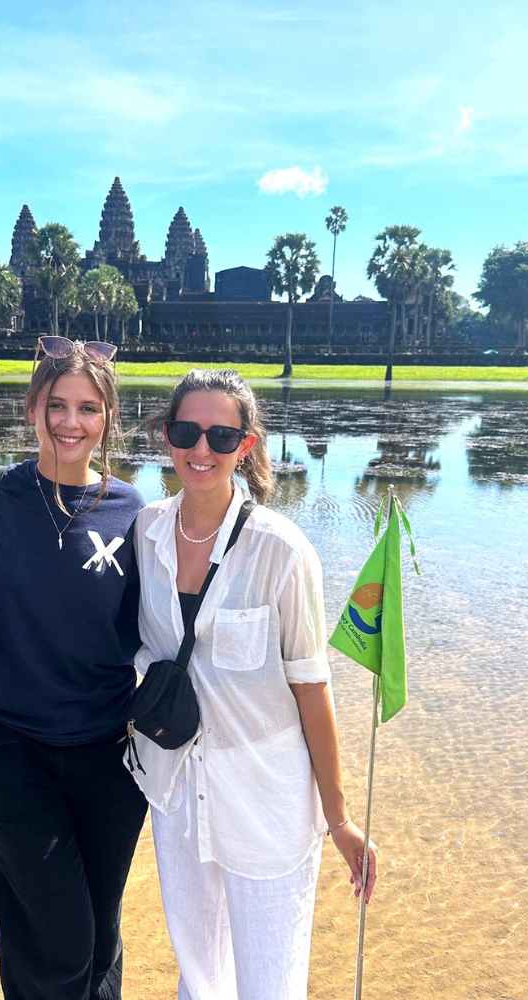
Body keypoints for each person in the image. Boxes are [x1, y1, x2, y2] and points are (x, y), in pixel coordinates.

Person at [129, 369, 378, 1000]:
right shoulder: (146, 532)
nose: (202, 449)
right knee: (200, 974)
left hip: (266, 799)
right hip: (178, 790)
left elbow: (312, 689)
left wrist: (340, 817)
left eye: (221, 435)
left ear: (248, 445)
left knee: (270, 981)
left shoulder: (282, 550)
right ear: (167, 437)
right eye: (187, 431)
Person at [0, 337, 148, 1000]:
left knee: (99, 933)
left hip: (109, 756)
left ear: (108, 419)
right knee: (56, 932)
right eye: (58, 405)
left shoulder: (137, 513)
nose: (72, 422)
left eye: (89, 408)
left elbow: (182, 612)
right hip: (9, 748)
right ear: (32, 408)